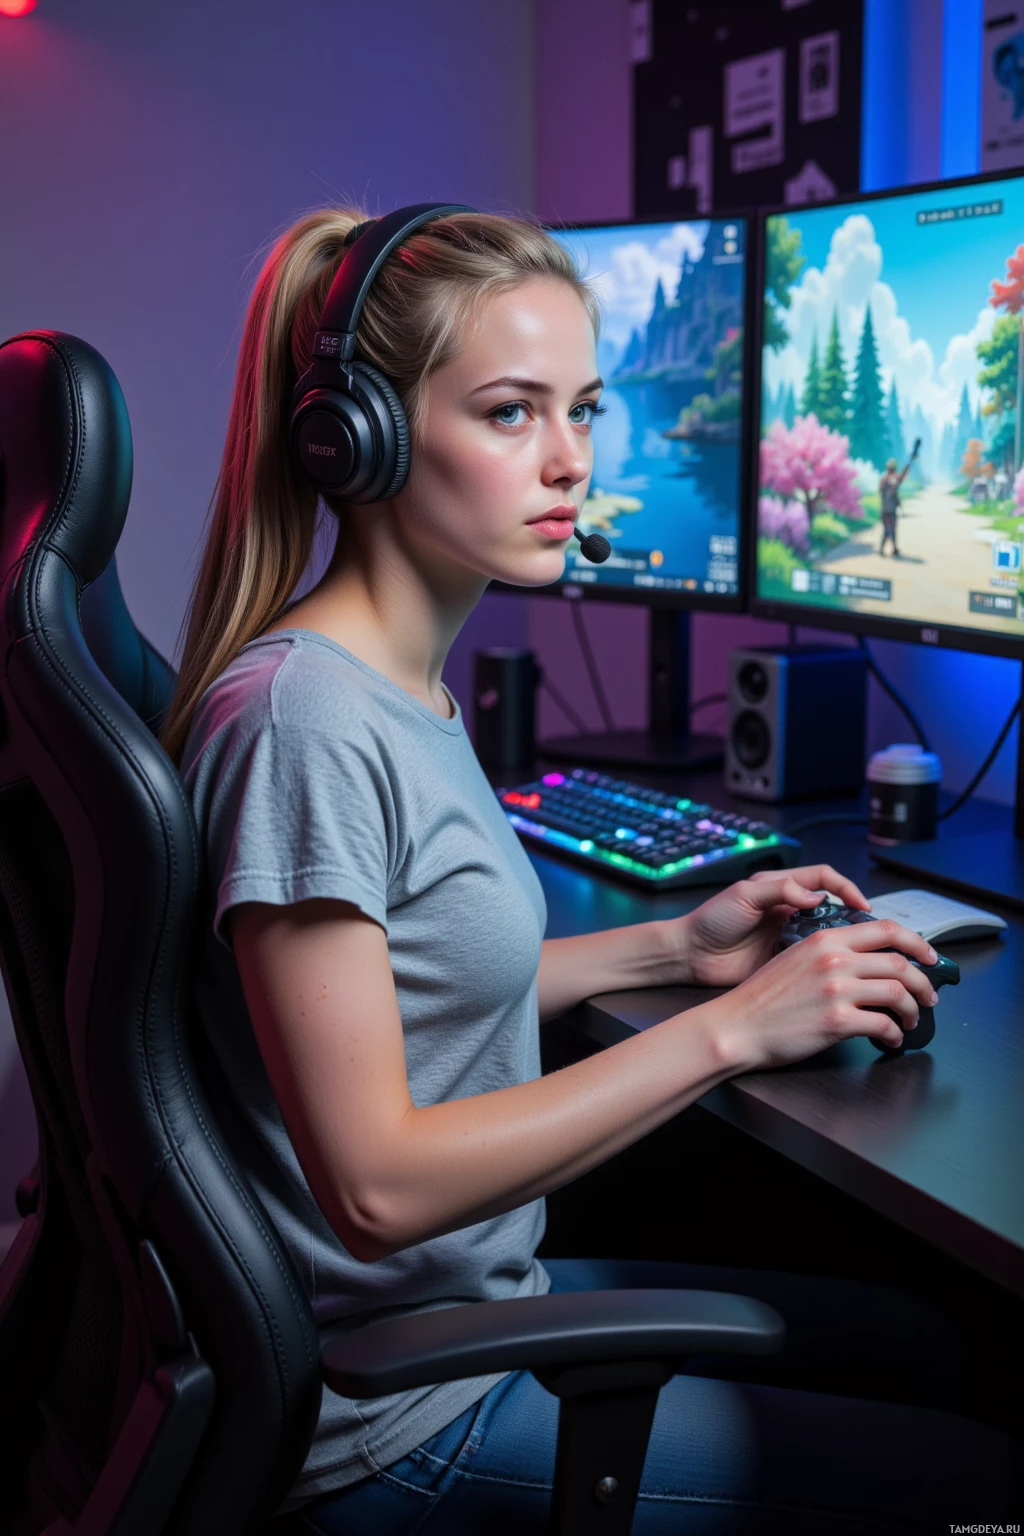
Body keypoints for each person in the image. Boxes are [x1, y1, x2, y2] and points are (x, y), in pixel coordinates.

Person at [163, 207, 1016, 1532]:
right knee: (988, 1480)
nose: (572, 462)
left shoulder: (398, 692)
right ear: (357, 436)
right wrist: (735, 1030)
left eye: (586, 409)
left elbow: (415, 983)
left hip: (466, 1310)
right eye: (511, 413)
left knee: (926, 1338)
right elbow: (376, 1182)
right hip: (395, 1416)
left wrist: (679, 953)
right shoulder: (307, 724)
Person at [878, 440, 919, 557]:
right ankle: (883, 549)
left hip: (886, 509)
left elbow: (898, 480)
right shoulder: (889, 479)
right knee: (889, 530)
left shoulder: (884, 478)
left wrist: (911, 461)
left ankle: (893, 549)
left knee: (891, 530)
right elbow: (898, 481)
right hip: (889, 509)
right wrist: (911, 461)